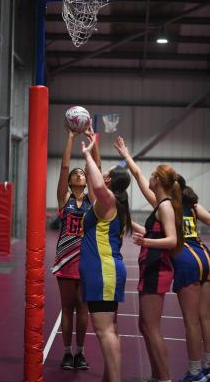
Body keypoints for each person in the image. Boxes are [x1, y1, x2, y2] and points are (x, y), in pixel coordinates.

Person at [114, 136, 183, 382]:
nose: (149, 178)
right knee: (145, 326)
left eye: (154, 175)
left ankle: (164, 378)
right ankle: (157, 376)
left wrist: (147, 242)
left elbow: (172, 240)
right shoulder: (160, 203)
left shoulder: (164, 206)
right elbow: (139, 175)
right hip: (150, 268)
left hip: (157, 271)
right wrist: (126, 155)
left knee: (152, 329)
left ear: (160, 182)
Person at [80, 135, 132, 382]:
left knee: (104, 331)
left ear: (110, 181)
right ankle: (109, 378)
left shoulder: (108, 200)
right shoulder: (108, 203)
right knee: (110, 330)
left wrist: (87, 154)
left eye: (106, 173)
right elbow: (95, 182)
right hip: (106, 270)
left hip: (103, 271)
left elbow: (99, 185)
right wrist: (94, 143)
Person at [52, 126, 100, 370]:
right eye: (77, 173)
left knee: (84, 308)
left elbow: (97, 172)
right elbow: (63, 166)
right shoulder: (64, 199)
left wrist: (94, 142)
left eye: (83, 173)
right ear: (71, 181)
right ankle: (67, 353)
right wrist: (70, 137)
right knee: (67, 308)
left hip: (87, 260)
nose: (81, 175)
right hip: (65, 259)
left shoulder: (93, 201)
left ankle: (80, 353)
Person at [172, 175, 210, 382]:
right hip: (205, 254)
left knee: (191, 321)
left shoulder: (168, 205)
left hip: (187, 259)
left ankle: (195, 373)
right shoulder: (193, 204)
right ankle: (208, 368)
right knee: (206, 318)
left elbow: (141, 181)